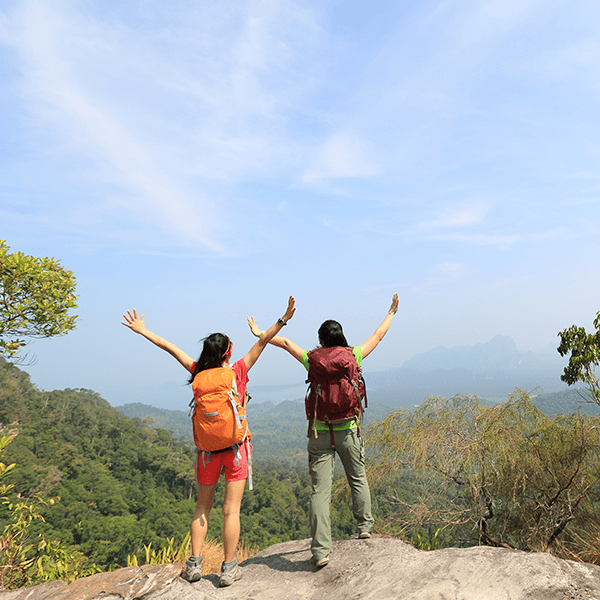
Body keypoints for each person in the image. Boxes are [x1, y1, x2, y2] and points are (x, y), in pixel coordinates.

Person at [121, 296, 296, 586]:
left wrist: (142, 330)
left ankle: (194, 566)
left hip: (206, 453)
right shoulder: (236, 371)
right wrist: (284, 318)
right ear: (228, 352)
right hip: (236, 450)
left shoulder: (197, 372)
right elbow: (264, 341)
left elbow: (169, 347)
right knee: (231, 510)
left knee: (202, 508)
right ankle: (229, 569)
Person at [247, 294, 399, 568]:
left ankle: (320, 552)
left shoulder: (312, 359)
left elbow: (285, 344)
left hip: (319, 432)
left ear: (320, 340)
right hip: (348, 430)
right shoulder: (353, 356)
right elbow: (378, 336)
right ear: (341, 337)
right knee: (358, 478)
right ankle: (365, 526)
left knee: (320, 492)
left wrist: (261, 334)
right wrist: (391, 312)